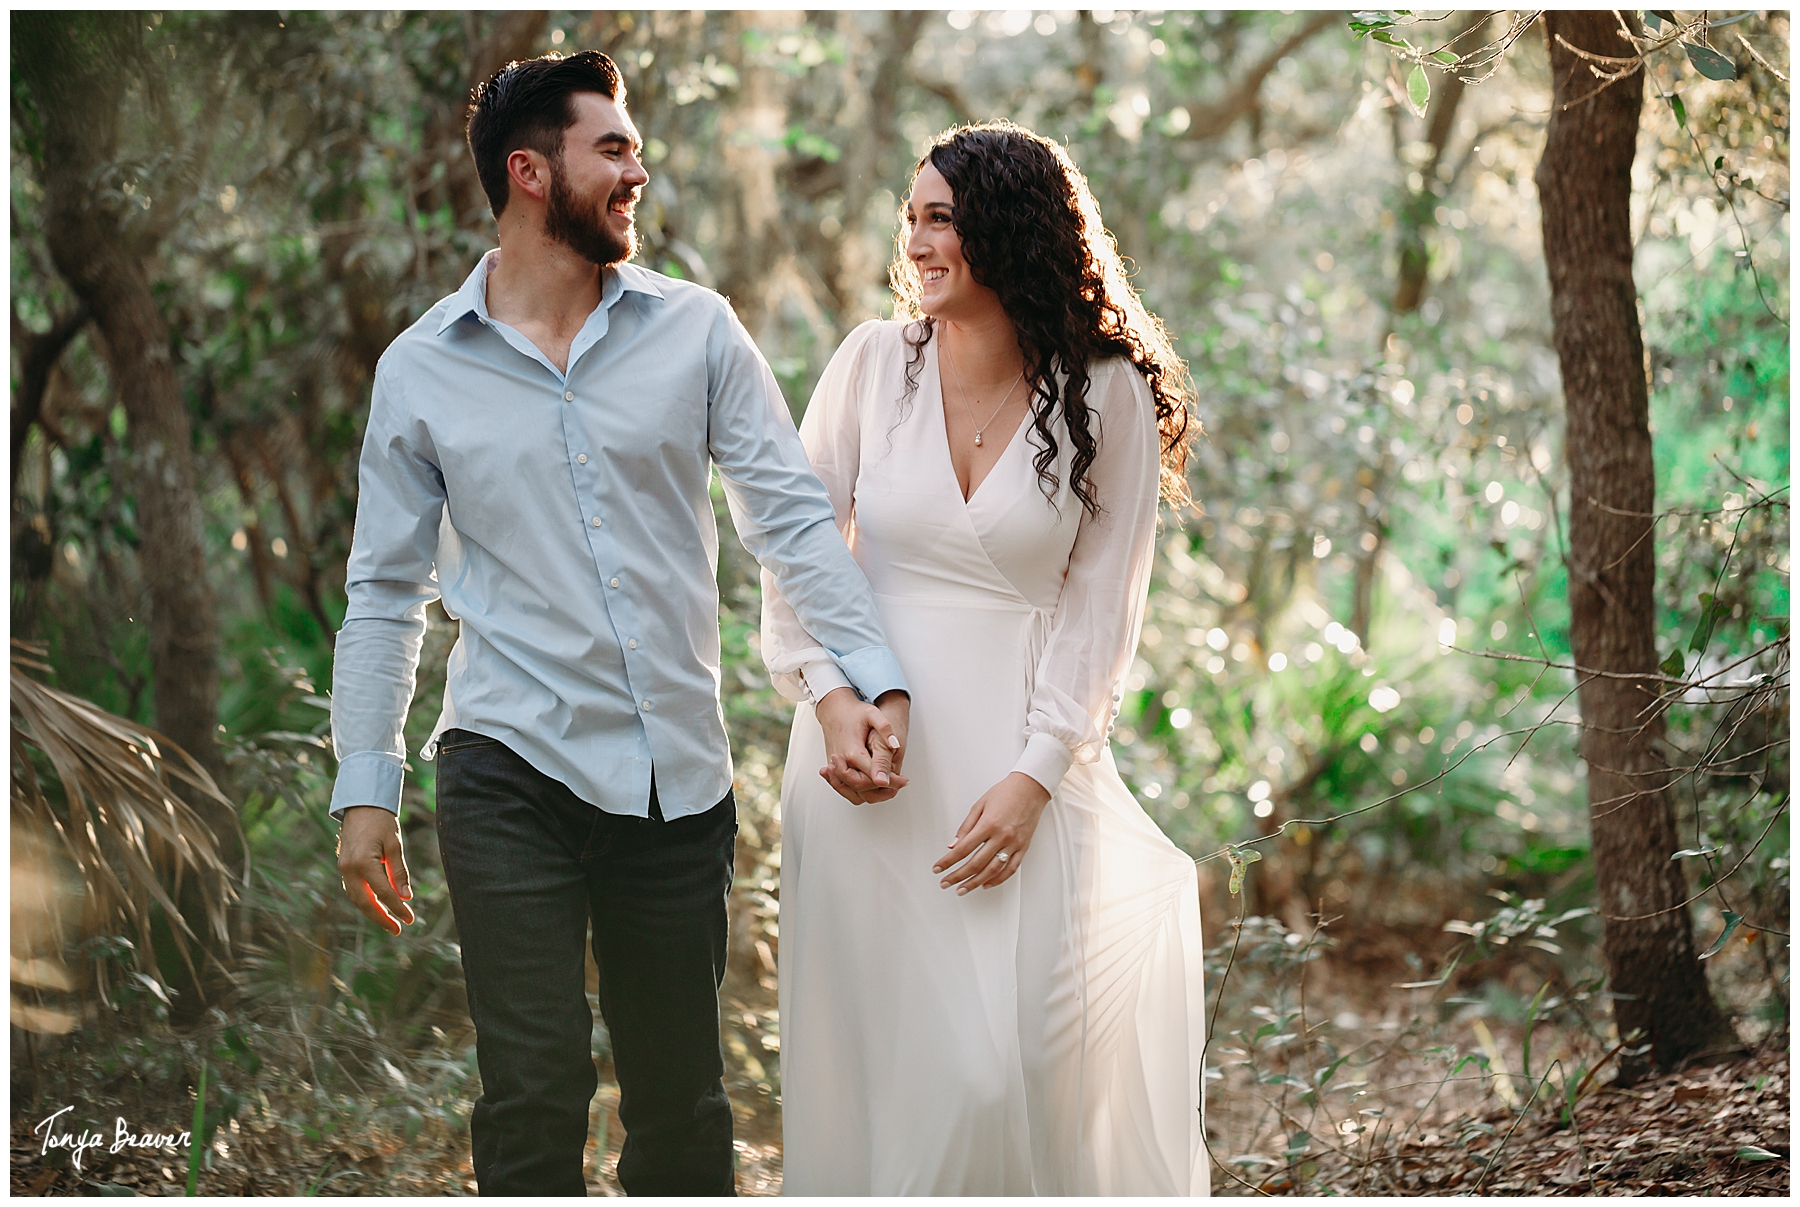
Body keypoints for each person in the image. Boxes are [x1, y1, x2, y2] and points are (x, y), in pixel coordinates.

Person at [327, 50, 911, 1197]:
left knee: (683, 1104)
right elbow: (386, 591)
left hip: (672, 774)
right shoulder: (420, 372)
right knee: (534, 1089)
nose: (638, 169)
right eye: (614, 147)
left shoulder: (696, 331)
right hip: (506, 764)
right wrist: (364, 786)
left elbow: (790, 522)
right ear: (530, 172)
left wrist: (874, 675)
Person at [762, 122, 1211, 1195]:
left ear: (1007, 231)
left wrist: (1037, 773)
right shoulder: (874, 364)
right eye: (911, 216)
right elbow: (800, 552)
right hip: (862, 759)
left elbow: (1104, 609)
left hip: (1016, 773)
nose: (915, 240)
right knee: (882, 1073)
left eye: (941, 218)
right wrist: (829, 697)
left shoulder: (1104, 393)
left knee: (1004, 1076)